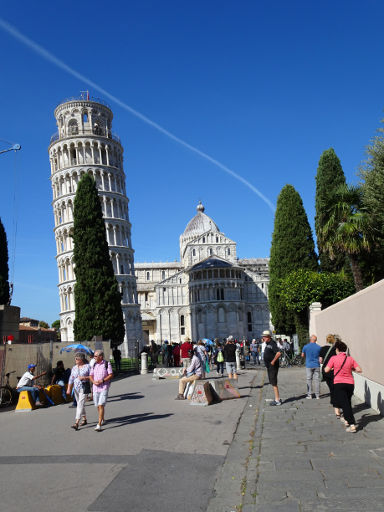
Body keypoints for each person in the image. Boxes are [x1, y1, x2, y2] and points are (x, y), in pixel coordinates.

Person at [324, 339, 362, 433]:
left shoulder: (333, 358)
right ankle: (346, 420)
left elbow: (326, 370)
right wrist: (350, 368)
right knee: (347, 402)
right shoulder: (350, 359)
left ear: (337, 349)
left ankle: (352, 424)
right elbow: (359, 370)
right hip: (350, 384)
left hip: (339, 383)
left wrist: (333, 367)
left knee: (344, 404)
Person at [89, 350, 113, 431]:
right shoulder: (94, 364)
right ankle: (102, 419)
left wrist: (102, 380)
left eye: (95, 356)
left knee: (101, 404)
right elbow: (90, 375)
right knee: (97, 405)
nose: (94, 357)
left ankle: (99, 424)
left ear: (101, 357)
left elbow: (110, 375)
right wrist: (93, 382)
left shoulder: (107, 364)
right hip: (95, 388)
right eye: (94, 356)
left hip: (104, 387)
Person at [66, 353, 91, 430]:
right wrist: (69, 388)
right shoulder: (74, 368)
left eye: (77, 359)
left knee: (80, 403)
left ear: (81, 359)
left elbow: (92, 376)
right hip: (76, 388)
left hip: (84, 386)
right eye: (75, 358)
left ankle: (76, 422)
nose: (75, 360)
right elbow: (71, 378)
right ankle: (84, 419)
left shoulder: (88, 367)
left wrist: (84, 377)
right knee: (80, 403)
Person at [319, 334, 339, 416]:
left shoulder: (322, 348)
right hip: (334, 371)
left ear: (327, 340)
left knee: (332, 389)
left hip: (326, 371)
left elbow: (320, 361)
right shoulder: (336, 349)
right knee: (336, 389)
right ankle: (337, 407)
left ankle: (336, 408)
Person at [262, 330, 282, 406]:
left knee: (274, 383)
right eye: (263, 336)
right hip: (269, 367)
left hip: (273, 367)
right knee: (272, 382)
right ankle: (277, 398)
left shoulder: (272, 343)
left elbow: (279, 353)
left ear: (269, 337)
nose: (263, 338)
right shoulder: (267, 344)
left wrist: (273, 361)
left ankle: (278, 400)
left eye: (264, 336)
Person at [301, 334, 322, 399]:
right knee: (317, 380)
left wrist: (306, 357)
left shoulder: (305, 347)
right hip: (316, 365)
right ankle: (317, 395)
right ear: (316, 340)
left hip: (309, 365)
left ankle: (309, 395)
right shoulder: (319, 347)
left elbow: (302, 355)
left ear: (310, 339)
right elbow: (320, 358)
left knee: (309, 380)